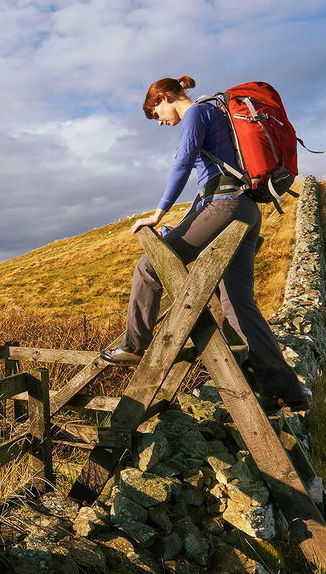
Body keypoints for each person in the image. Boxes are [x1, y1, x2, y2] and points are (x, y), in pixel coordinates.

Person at [99, 75, 310, 411]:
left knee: (149, 266)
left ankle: (134, 344)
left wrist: (157, 214)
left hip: (223, 206)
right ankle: (286, 390)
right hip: (245, 210)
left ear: (166, 97)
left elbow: (184, 164)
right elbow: (212, 182)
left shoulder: (196, 114)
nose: (162, 122)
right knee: (237, 304)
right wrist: (179, 227)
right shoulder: (219, 113)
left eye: (158, 114)